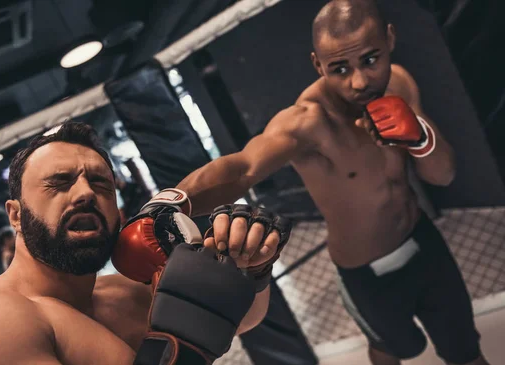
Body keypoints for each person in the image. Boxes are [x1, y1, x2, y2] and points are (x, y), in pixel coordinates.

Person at [173, 1, 490, 364]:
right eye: (339, 69)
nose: (359, 81)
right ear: (317, 65)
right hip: (367, 275)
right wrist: (172, 203)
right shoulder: (307, 122)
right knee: (388, 352)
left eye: (370, 60)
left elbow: (442, 174)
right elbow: (243, 168)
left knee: (467, 352)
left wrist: (419, 136)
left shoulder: (398, 83)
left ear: (389, 39)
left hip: (423, 243)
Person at [0, 122, 290, 365]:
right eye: (59, 183)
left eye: (101, 184)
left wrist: (250, 269)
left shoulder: (127, 294)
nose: (85, 193)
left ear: (120, 215)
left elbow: (243, 319)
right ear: (16, 215)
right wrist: (184, 349)